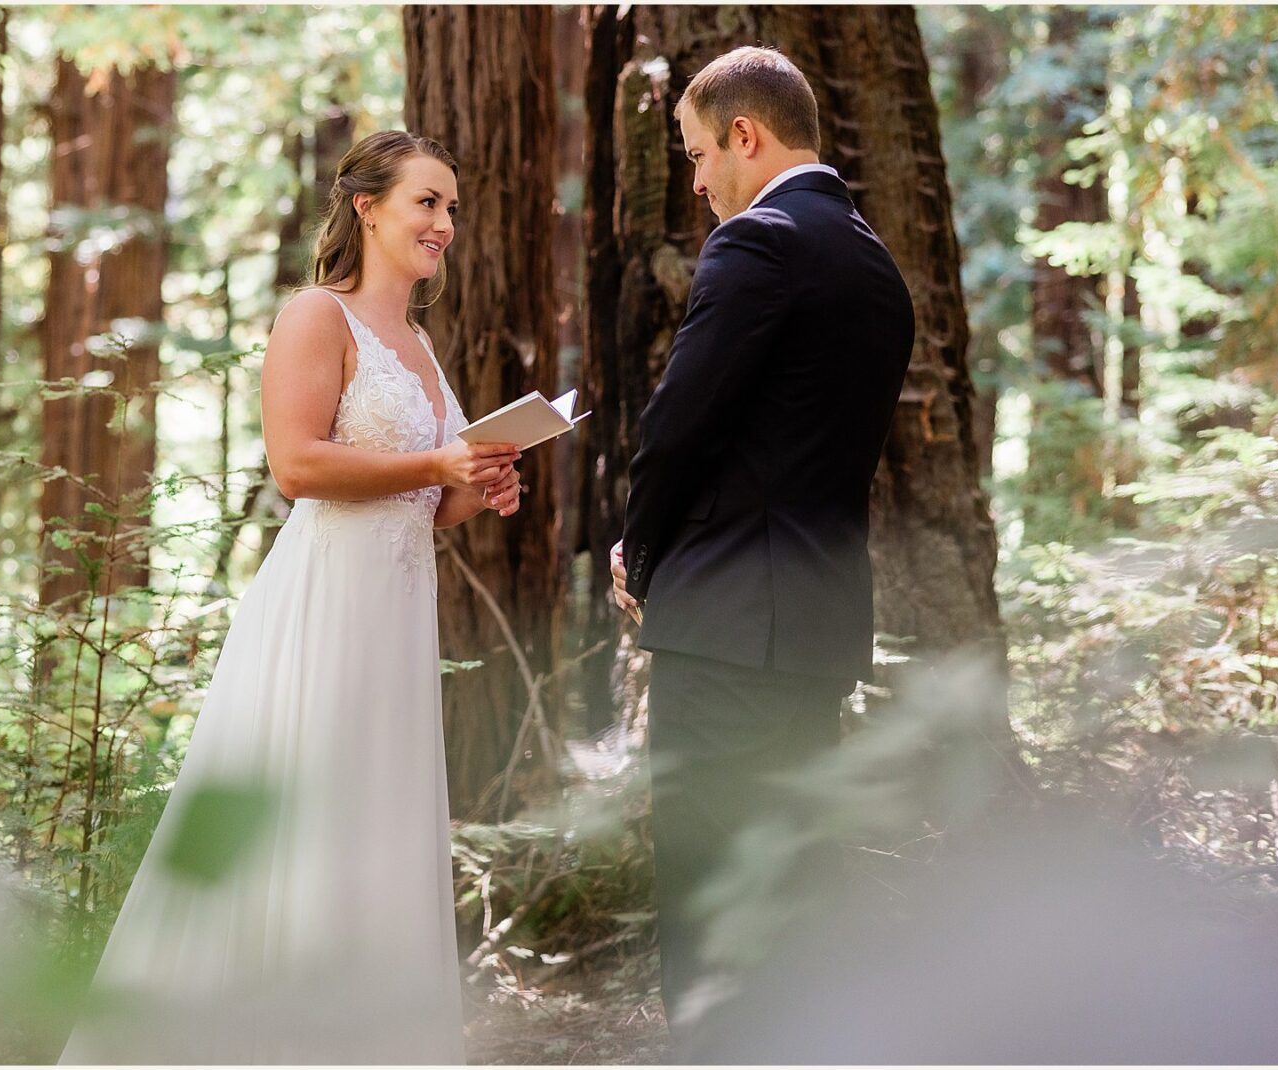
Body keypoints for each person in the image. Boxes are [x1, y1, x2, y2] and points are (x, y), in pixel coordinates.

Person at [58, 130, 522, 1065]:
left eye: (453, 208)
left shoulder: (421, 345)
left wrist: (482, 485)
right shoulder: (318, 315)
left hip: (395, 618)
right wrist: (436, 461)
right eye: (427, 202)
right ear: (368, 206)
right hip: (323, 609)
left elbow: (425, 504)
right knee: (307, 819)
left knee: (373, 824)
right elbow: (299, 464)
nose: (445, 223)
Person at [609, 45, 915, 1059]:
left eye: (697, 154)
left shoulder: (761, 242)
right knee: (792, 889)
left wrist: (638, 555)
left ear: (747, 136)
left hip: (728, 626)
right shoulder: (872, 260)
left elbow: (677, 424)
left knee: (709, 894)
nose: (695, 181)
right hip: (813, 633)